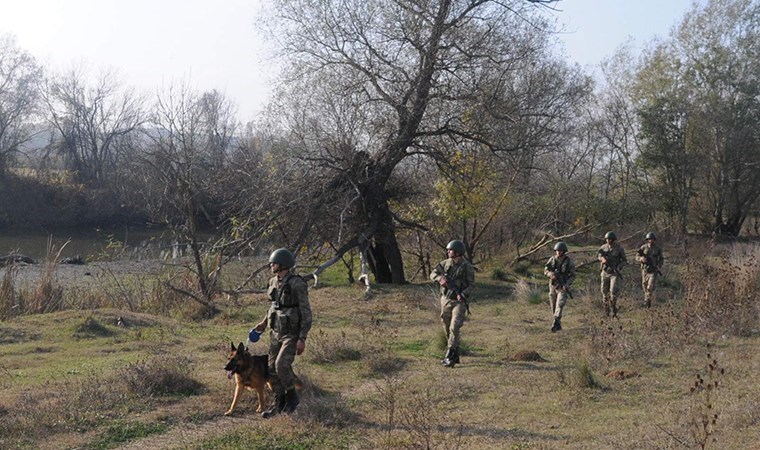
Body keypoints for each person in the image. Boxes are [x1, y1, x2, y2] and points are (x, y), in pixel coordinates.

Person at [253, 248, 312, 418]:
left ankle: (292, 398)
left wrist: (302, 338)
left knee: (281, 365)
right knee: (271, 369)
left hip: (291, 333)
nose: (271, 265)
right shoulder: (273, 282)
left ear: (283, 264)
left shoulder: (297, 283)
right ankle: (279, 403)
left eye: (274, 263)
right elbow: (274, 306)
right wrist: (264, 323)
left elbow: (306, 312)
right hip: (275, 331)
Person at [430, 239, 475, 368]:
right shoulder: (445, 264)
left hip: (459, 302)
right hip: (446, 299)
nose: (448, 252)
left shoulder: (467, 267)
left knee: (454, 327)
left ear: (458, 253)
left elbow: (472, 285)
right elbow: (433, 273)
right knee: (446, 325)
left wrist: (463, 294)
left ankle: (449, 356)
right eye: (448, 250)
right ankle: (455, 353)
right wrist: (440, 279)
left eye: (451, 250)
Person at [543, 241, 575, 332]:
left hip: (563, 286)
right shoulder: (552, 259)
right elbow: (545, 270)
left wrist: (567, 284)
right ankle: (557, 323)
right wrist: (550, 274)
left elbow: (573, 275)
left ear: (564, 251)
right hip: (553, 285)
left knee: (559, 304)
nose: (558, 252)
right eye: (557, 250)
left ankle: (555, 322)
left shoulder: (569, 261)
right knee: (553, 305)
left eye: (560, 251)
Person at [597, 231, 627, 317]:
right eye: (607, 239)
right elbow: (598, 255)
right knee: (604, 292)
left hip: (614, 273)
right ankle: (606, 311)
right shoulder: (603, 247)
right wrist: (602, 259)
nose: (608, 241)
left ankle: (614, 309)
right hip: (605, 272)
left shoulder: (619, 248)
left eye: (609, 239)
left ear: (613, 239)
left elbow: (624, 260)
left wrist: (618, 267)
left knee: (613, 291)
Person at [636, 232, 664, 308]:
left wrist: (659, 266)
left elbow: (661, 259)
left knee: (650, 287)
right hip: (645, 270)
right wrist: (641, 259)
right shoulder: (643, 247)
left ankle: (647, 301)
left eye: (652, 239)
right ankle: (647, 299)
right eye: (649, 239)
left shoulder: (658, 248)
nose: (651, 241)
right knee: (644, 285)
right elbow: (637, 256)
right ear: (647, 240)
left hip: (653, 270)